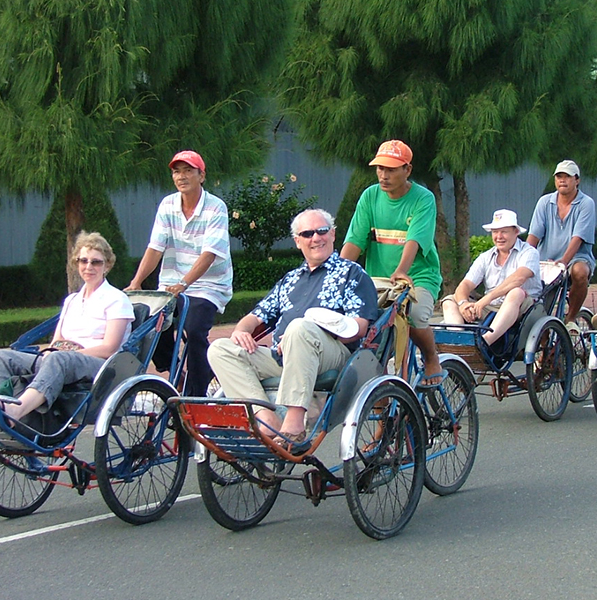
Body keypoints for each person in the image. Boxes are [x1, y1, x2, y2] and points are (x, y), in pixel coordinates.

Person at [207, 209, 378, 448]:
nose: (316, 238)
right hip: (283, 355)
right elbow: (255, 316)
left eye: (322, 231)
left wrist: (311, 327)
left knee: (300, 328)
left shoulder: (352, 273)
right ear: (298, 242)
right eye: (307, 234)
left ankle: (295, 422)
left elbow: (358, 328)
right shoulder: (290, 279)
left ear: (332, 235)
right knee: (220, 349)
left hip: (333, 355)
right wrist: (241, 331)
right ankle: (265, 416)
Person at [0, 232, 134, 422]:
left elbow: (109, 348)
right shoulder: (72, 300)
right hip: (62, 358)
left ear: (107, 265)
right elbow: (57, 341)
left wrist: (71, 354)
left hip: (99, 365)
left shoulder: (117, 299)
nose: (88, 267)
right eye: (83, 260)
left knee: (59, 359)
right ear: (76, 263)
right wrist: (52, 352)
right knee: (1, 357)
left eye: (96, 262)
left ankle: (14, 412)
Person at [126, 150, 233, 397]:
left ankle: (197, 392)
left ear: (201, 175)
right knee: (146, 322)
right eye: (176, 171)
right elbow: (155, 248)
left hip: (209, 285)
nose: (181, 176)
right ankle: (173, 371)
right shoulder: (167, 205)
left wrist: (184, 283)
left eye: (188, 171)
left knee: (195, 330)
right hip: (171, 284)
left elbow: (209, 253)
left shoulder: (216, 207)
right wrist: (136, 282)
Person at [340, 140, 444, 387]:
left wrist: (401, 270)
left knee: (415, 315)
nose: (383, 175)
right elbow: (355, 240)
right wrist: (337, 273)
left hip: (418, 276)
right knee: (368, 334)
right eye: (380, 169)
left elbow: (415, 239)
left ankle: (431, 358)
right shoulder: (369, 196)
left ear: (407, 170)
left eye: (391, 169)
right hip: (378, 279)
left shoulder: (423, 198)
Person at [441, 209, 542, 351]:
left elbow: (518, 278)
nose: (499, 236)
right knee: (449, 301)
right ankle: (460, 343)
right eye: (495, 232)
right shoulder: (486, 257)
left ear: (516, 232)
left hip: (524, 308)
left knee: (516, 292)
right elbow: (465, 284)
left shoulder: (529, 252)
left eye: (504, 232)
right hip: (492, 307)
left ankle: (485, 342)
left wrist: (485, 299)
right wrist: (463, 303)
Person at [525, 159, 596, 333]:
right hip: (546, 259)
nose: (562, 180)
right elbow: (534, 236)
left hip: (575, 259)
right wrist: (523, 258)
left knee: (580, 272)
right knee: (538, 304)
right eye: (559, 177)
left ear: (577, 180)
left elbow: (578, 238)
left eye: (567, 176)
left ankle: (570, 318)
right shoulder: (544, 202)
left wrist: (563, 262)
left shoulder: (586, 204)